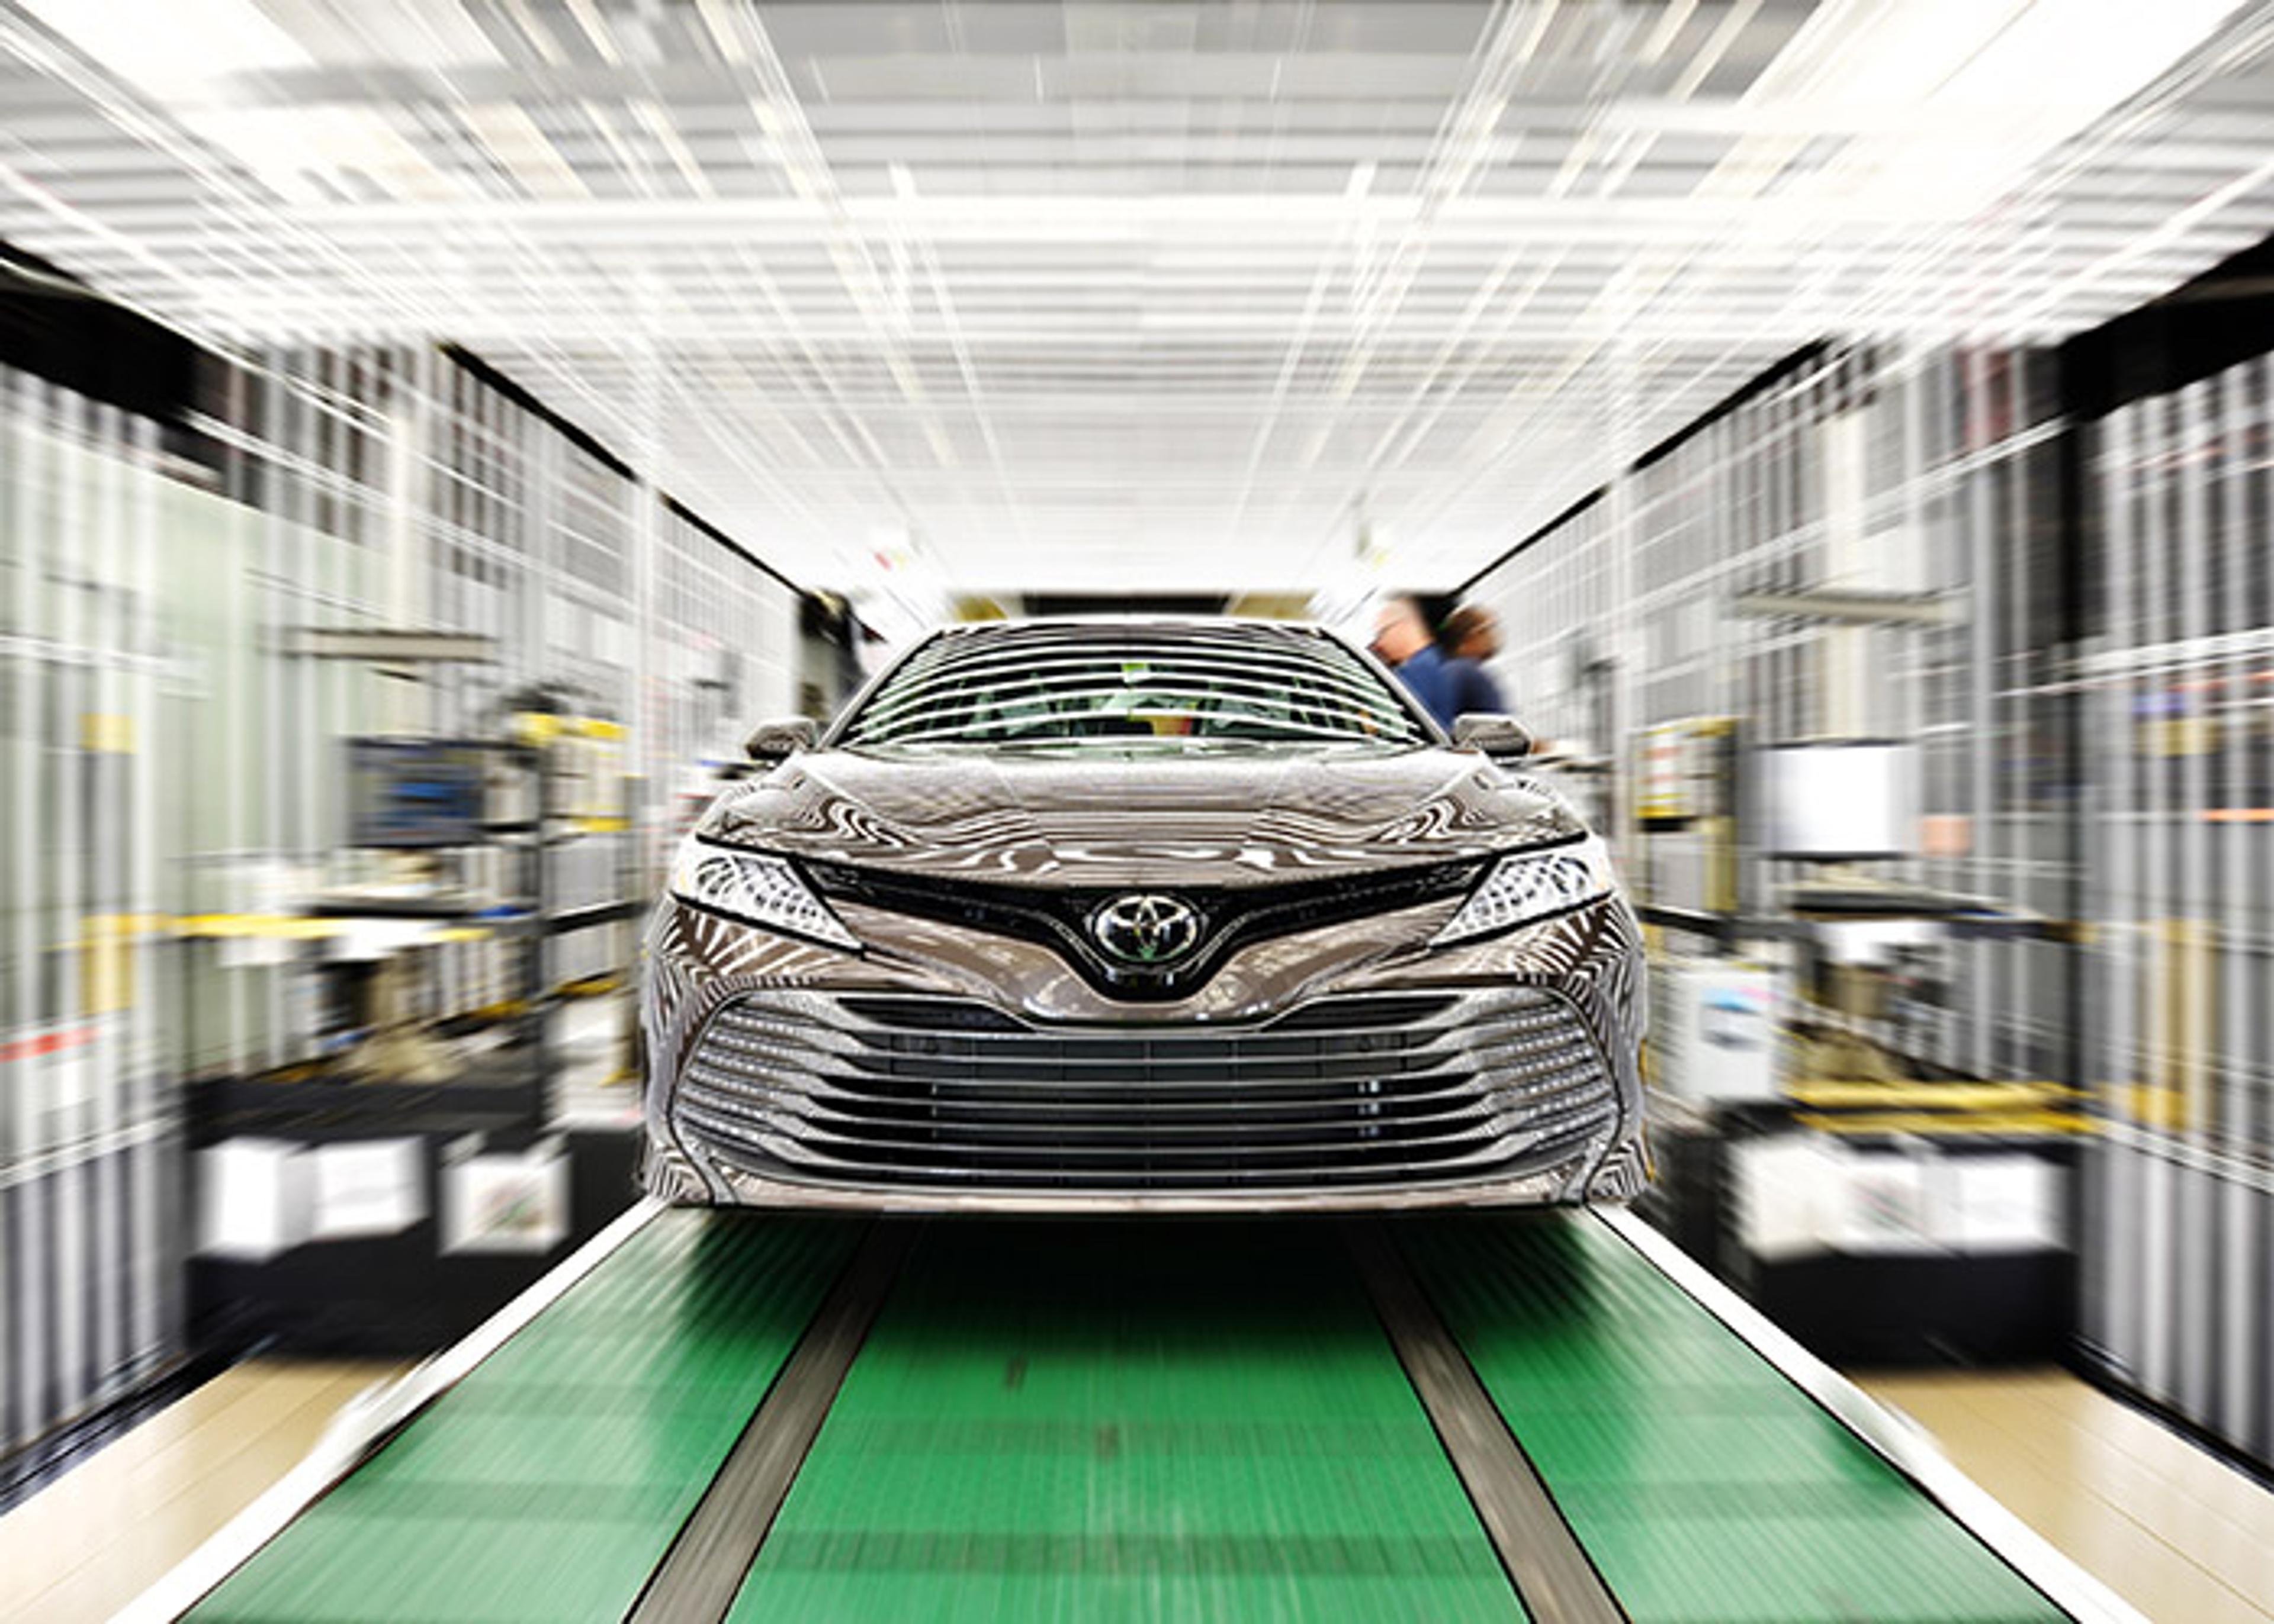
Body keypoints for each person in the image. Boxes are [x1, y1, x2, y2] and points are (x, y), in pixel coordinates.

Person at [1370, 596, 1456, 726]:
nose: (1379, 644)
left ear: (1402, 627)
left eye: (1382, 633)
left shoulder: (1415, 672)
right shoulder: (1440, 658)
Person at [1438, 603, 1510, 718]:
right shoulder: (1470, 673)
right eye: (1489, 628)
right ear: (1473, 636)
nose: (1494, 635)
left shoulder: (1446, 672)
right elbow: (1501, 730)